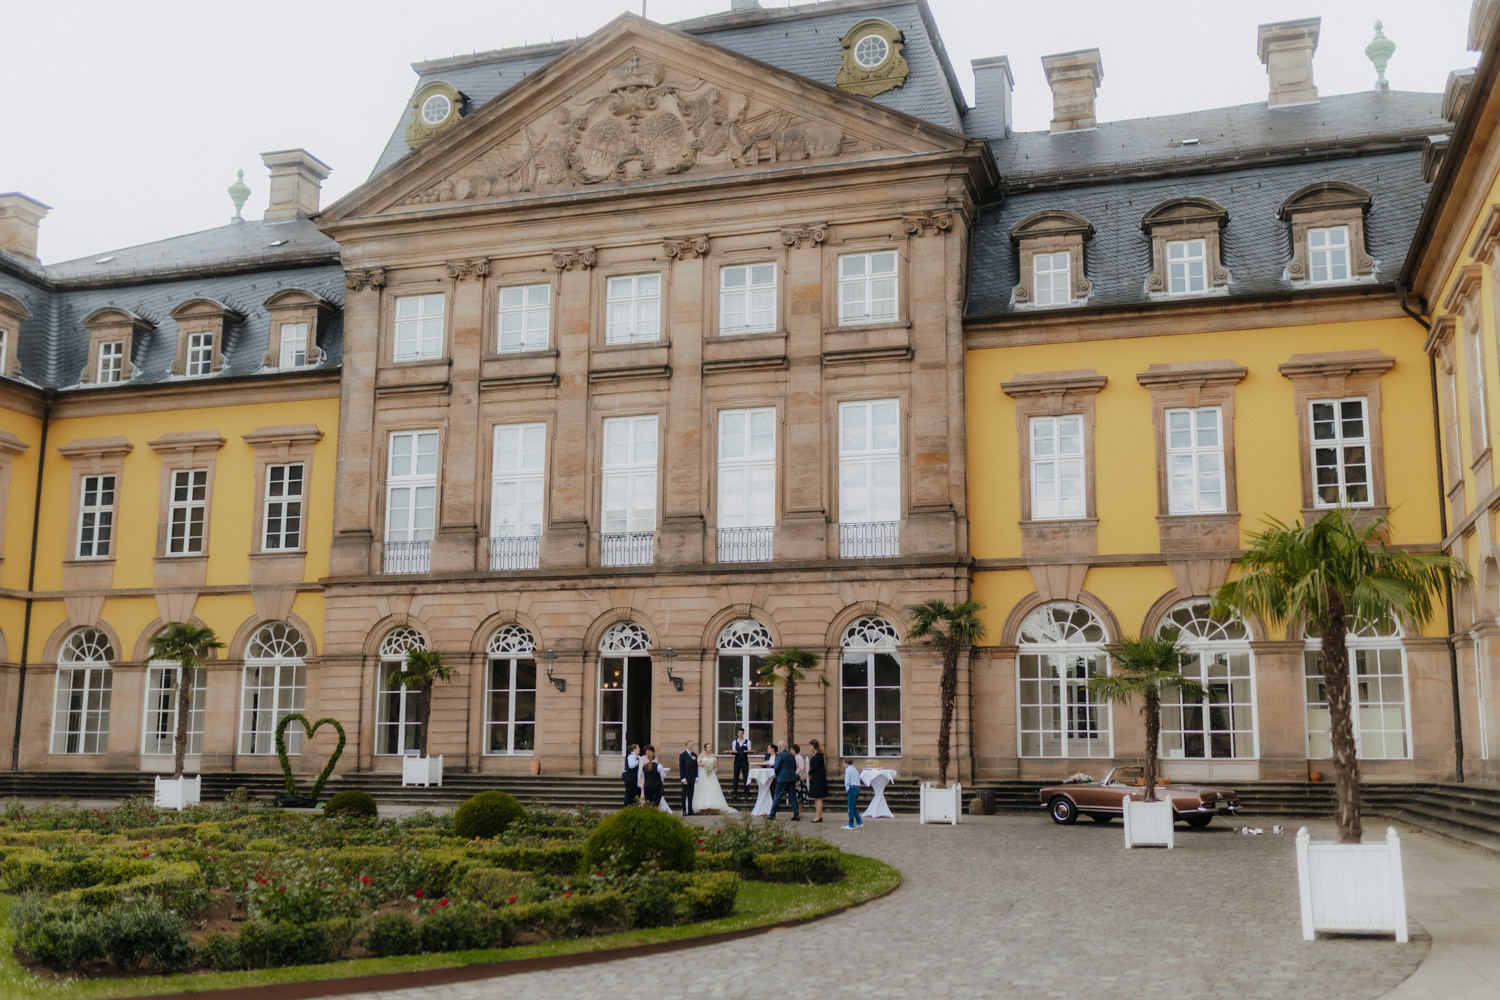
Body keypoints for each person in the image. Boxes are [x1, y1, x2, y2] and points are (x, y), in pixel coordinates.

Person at [692, 743, 737, 814]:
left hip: (711, 774)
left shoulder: (713, 755)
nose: (710, 748)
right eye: (708, 747)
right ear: (705, 748)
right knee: (703, 789)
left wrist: (711, 766)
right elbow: (697, 763)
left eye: (710, 747)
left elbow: (716, 765)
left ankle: (712, 806)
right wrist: (705, 764)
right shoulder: (702, 755)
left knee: (712, 788)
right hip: (703, 773)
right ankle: (702, 806)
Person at [767, 743, 801, 821]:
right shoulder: (791, 755)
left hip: (782, 778)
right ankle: (796, 814)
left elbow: (777, 767)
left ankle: (772, 814)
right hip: (791, 778)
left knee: (777, 796)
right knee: (793, 797)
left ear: (779, 748)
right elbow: (794, 766)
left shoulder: (780, 755)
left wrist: (778, 774)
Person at [807, 739, 828, 823]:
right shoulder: (815, 755)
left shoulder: (818, 755)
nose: (810, 747)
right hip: (815, 778)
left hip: (819, 778)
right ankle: (817, 815)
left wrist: (809, 772)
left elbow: (815, 767)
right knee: (816, 797)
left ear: (813, 746)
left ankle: (819, 816)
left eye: (810, 745)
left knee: (818, 796)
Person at [678, 739, 699, 816]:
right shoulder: (682, 755)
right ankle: (684, 810)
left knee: (691, 795)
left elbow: (696, 767)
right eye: (690, 745)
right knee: (684, 795)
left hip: (692, 777)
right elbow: (681, 768)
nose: (692, 746)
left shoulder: (694, 755)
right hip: (686, 778)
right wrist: (683, 778)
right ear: (687, 746)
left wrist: (696, 777)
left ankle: (690, 809)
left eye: (692, 745)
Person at [730, 728, 752, 800]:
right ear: (737, 733)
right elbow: (733, 751)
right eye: (739, 733)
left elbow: (749, 750)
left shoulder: (747, 742)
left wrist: (747, 751)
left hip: (744, 761)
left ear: (743, 734)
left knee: (746, 776)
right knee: (736, 776)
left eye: (742, 733)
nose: (740, 734)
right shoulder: (734, 742)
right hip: (737, 761)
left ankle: (746, 792)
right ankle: (735, 792)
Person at [842, 758, 864, 829]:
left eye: (843, 763)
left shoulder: (848, 770)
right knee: (853, 806)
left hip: (851, 788)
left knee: (850, 807)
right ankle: (859, 821)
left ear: (846, 763)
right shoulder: (855, 769)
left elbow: (847, 780)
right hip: (857, 788)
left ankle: (850, 824)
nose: (843, 765)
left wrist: (847, 789)